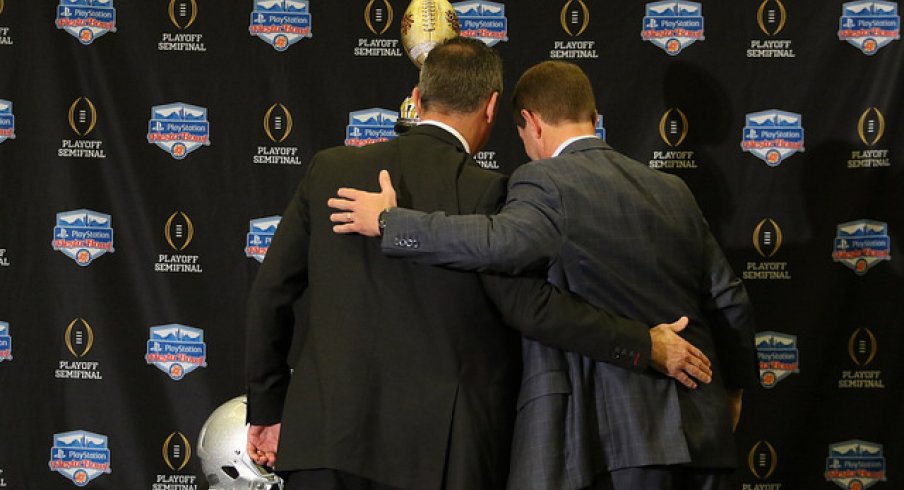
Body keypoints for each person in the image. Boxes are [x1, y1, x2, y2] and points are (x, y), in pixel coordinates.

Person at [245, 40, 701, 490]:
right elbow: (533, 310)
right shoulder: (491, 192)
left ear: (417, 99)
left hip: (324, 444)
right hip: (443, 456)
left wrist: (266, 411)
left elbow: (270, 295)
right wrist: (642, 343)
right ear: (492, 107)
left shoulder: (329, 170)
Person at [329, 60, 757, 490]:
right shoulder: (673, 190)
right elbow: (730, 298)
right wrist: (730, 393)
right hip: (702, 434)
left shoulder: (545, 182)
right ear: (593, 115)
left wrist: (390, 222)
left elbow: (495, 243)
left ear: (530, 123)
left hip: (612, 444)